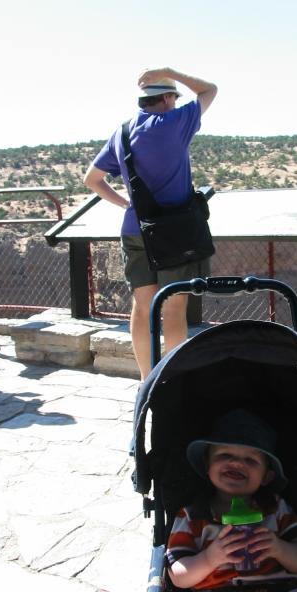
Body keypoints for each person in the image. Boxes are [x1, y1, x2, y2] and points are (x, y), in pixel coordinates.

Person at [83, 68, 217, 381]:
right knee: (172, 308)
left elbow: (92, 179)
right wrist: (170, 72)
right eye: (173, 95)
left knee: (143, 308)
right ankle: (171, 382)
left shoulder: (124, 132)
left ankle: (147, 380)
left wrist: (125, 204)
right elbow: (209, 90)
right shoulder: (175, 122)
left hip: (135, 230)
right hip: (174, 234)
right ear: (168, 97)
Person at [166, 409, 297, 592]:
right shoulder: (192, 516)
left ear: (267, 476)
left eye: (250, 460)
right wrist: (210, 559)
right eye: (225, 454)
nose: (235, 462)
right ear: (207, 465)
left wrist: (279, 549)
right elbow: (178, 575)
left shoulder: (276, 509)